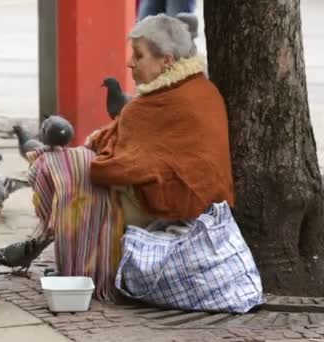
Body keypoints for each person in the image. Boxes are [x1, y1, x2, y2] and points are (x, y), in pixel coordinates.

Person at [26, 14, 234, 302]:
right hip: (191, 197)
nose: (130, 63)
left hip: (172, 202)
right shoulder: (197, 88)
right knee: (65, 165)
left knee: (69, 180)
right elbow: (128, 145)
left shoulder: (168, 100)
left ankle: (92, 271)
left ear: (167, 61)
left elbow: (114, 169)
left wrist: (93, 157)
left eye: (139, 55)